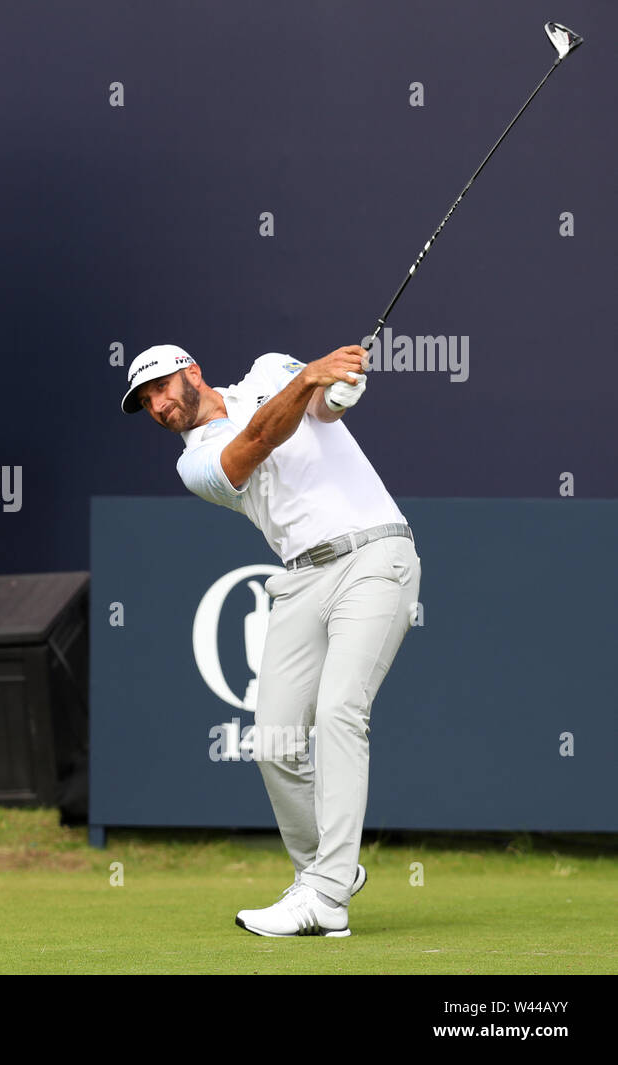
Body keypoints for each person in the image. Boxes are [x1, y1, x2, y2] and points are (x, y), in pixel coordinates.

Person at [121, 343, 420, 937]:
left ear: (191, 373)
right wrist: (311, 378)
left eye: (160, 387)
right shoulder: (196, 464)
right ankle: (325, 874)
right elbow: (256, 442)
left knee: (339, 712)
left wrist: (336, 391)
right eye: (145, 401)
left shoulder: (269, 371)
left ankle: (326, 896)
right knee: (273, 741)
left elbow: (323, 411)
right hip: (301, 577)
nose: (156, 405)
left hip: (375, 553)